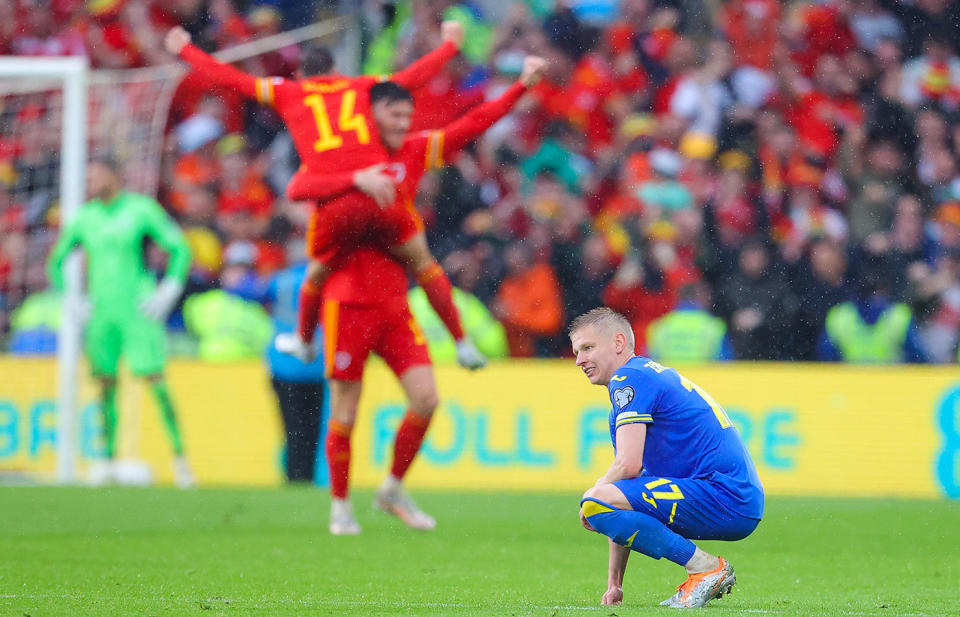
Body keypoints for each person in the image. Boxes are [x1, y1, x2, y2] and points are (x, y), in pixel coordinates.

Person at [310, 58, 547, 535]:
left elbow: (474, 123)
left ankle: (392, 488)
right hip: (348, 298)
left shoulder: (417, 151)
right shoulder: (345, 159)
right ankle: (340, 506)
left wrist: (520, 85)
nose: (401, 124)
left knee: (426, 398)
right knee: (347, 411)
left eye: (405, 115)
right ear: (369, 117)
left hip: (394, 299)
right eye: (391, 116)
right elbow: (306, 187)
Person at [164, 24, 487, 371]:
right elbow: (411, 77)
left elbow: (229, 78)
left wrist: (186, 49)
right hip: (381, 195)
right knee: (425, 267)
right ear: (335, 71)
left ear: (303, 74)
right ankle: (463, 342)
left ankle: (303, 341)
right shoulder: (363, 87)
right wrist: (450, 45)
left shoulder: (289, 92)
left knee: (316, 273)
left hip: (337, 203)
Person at [569, 307, 764, 608]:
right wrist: (614, 584)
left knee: (597, 500)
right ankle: (703, 568)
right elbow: (626, 486)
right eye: (577, 351)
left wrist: (591, 495)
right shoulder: (641, 380)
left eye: (588, 348)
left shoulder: (628, 378)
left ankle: (705, 567)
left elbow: (626, 466)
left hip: (724, 494)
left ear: (619, 343)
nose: (580, 359)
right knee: (602, 499)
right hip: (734, 498)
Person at [47, 159, 194, 488]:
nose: (90, 180)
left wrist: (170, 287)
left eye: (95, 173)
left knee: (155, 381)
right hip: (101, 312)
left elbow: (180, 248)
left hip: (139, 308)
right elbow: (56, 261)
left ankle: (181, 460)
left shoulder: (141, 210)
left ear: (114, 174)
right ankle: (108, 461)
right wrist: (70, 297)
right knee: (105, 385)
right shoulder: (84, 218)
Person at [265, 253, 327, 483]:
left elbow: (248, 290)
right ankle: (306, 477)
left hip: (282, 364)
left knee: (291, 427)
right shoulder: (324, 280)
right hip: (315, 363)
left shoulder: (278, 280)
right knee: (312, 428)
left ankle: (293, 476)